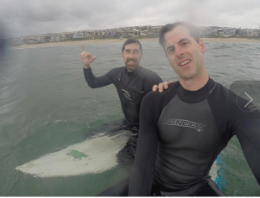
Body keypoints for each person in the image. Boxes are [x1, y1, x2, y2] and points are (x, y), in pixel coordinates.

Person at [128, 22, 260, 196]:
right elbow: (142, 165)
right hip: (151, 183)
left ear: (201, 45)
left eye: (184, 43)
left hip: (195, 189)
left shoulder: (234, 107)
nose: (179, 52)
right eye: (170, 49)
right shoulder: (155, 100)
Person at [80, 38, 163, 171]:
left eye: (135, 52)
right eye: (128, 51)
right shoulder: (116, 74)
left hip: (144, 130)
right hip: (127, 123)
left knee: (124, 160)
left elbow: (168, 106)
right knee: (90, 134)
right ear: (122, 54)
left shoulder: (151, 78)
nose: (131, 56)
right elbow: (94, 83)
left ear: (141, 55)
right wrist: (86, 66)